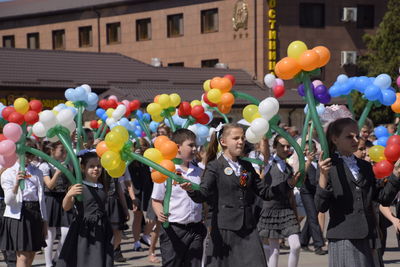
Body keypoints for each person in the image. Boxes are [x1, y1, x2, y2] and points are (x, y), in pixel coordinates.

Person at [182, 123, 300, 267]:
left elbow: (265, 192)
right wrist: (190, 190)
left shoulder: (246, 167)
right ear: (223, 142)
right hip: (225, 229)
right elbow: (203, 194)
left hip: (248, 228)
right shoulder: (215, 166)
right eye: (236, 138)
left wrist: (288, 184)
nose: (241, 141)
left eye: (243, 138)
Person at [316, 118, 400, 267]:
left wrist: (395, 175)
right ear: (335, 139)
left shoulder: (365, 166)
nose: (355, 140)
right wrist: (323, 176)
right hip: (344, 236)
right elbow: (321, 206)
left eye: (357, 136)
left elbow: (382, 198)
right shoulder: (328, 165)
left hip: (368, 235)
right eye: (349, 137)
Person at [152, 129, 207, 267]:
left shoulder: (199, 170)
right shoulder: (166, 170)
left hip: (196, 228)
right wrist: (159, 213)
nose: (195, 149)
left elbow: (203, 196)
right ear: (177, 147)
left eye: (195, 145)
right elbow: (156, 199)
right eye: (190, 145)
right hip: (174, 229)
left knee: (194, 264)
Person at [56, 152, 113, 267]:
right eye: (91, 166)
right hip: (84, 229)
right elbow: (66, 207)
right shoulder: (79, 186)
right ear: (83, 168)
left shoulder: (102, 186)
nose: (96, 169)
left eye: (98, 166)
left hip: (102, 228)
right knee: (85, 259)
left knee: (101, 259)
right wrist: (69, 195)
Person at [0, 141, 48, 267]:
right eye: (25, 154)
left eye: (31, 154)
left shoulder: (37, 172)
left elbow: (41, 198)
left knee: (32, 253)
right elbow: (9, 201)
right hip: (19, 215)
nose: (28, 158)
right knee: (23, 255)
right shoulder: (8, 173)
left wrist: (45, 220)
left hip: (35, 213)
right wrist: (16, 184)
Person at [257, 135, 302, 267]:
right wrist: (264, 138)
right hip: (270, 210)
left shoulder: (289, 167)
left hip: (286, 210)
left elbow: (291, 195)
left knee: (296, 245)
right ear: (275, 147)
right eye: (282, 146)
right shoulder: (268, 162)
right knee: (274, 251)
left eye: (288, 146)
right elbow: (264, 151)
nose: (286, 148)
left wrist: (294, 213)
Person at [39, 142, 73, 267]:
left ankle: (57, 257)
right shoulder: (44, 165)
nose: (64, 153)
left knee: (66, 231)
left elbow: (70, 182)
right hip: (51, 199)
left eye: (65, 151)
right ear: (52, 151)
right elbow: (49, 185)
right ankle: (48, 263)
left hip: (64, 199)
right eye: (61, 150)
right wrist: (58, 171)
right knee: (50, 234)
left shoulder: (67, 164)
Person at [127, 137, 160, 263]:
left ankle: (145, 236)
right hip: (137, 191)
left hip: (150, 190)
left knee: (154, 219)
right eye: (138, 147)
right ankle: (136, 242)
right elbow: (127, 179)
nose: (141, 150)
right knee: (137, 216)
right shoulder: (131, 161)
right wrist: (132, 197)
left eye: (144, 147)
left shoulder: (151, 159)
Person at [299, 141, 327, 255]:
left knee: (312, 217)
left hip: (316, 192)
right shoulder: (303, 162)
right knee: (313, 218)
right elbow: (301, 176)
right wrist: (308, 162)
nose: (307, 151)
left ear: (315, 150)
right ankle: (318, 245)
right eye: (305, 150)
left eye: (309, 149)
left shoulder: (318, 162)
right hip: (306, 193)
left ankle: (303, 241)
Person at [105, 174, 129, 263]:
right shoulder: (98, 167)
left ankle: (109, 253)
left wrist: (125, 208)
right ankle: (104, 257)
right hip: (102, 202)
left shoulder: (115, 171)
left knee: (118, 235)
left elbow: (119, 188)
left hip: (115, 203)